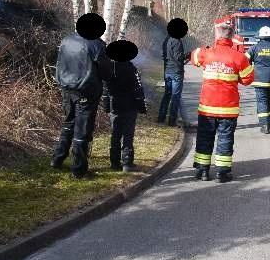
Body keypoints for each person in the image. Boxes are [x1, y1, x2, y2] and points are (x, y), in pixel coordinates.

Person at [190, 22, 254, 183]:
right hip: (228, 108)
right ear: (232, 37)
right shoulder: (239, 57)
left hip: (207, 107)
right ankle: (222, 173)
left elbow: (194, 58)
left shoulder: (207, 53)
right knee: (225, 139)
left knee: (204, 137)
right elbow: (248, 79)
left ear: (217, 36)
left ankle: (202, 171)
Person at [52, 13, 107, 178]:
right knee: (82, 130)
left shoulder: (66, 40)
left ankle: (57, 159)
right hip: (86, 91)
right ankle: (79, 170)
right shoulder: (96, 45)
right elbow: (105, 72)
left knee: (68, 123)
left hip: (66, 88)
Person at [101, 40, 147, 173]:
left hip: (115, 105)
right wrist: (142, 107)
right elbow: (138, 90)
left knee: (115, 133)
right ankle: (127, 162)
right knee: (128, 134)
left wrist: (106, 107)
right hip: (130, 106)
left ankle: (114, 162)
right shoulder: (131, 68)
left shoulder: (110, 68)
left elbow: (105, 90)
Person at [245, 25, 270, 134]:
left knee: (262, 102)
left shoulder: (253, 48)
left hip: (259, 79)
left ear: (259, 37)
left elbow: (244, 61)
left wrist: (249, 73)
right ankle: (269, 120)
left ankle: (265, 125)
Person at [157, 18, 189, 127]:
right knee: (175, 97)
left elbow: (164, 56)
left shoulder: (166, 40)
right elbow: (179, 58)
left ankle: (161, 118)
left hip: (167, 71)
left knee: (167, 95)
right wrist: (189, 55)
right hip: (176, 72)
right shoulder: (177, 42)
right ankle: (172, 121)